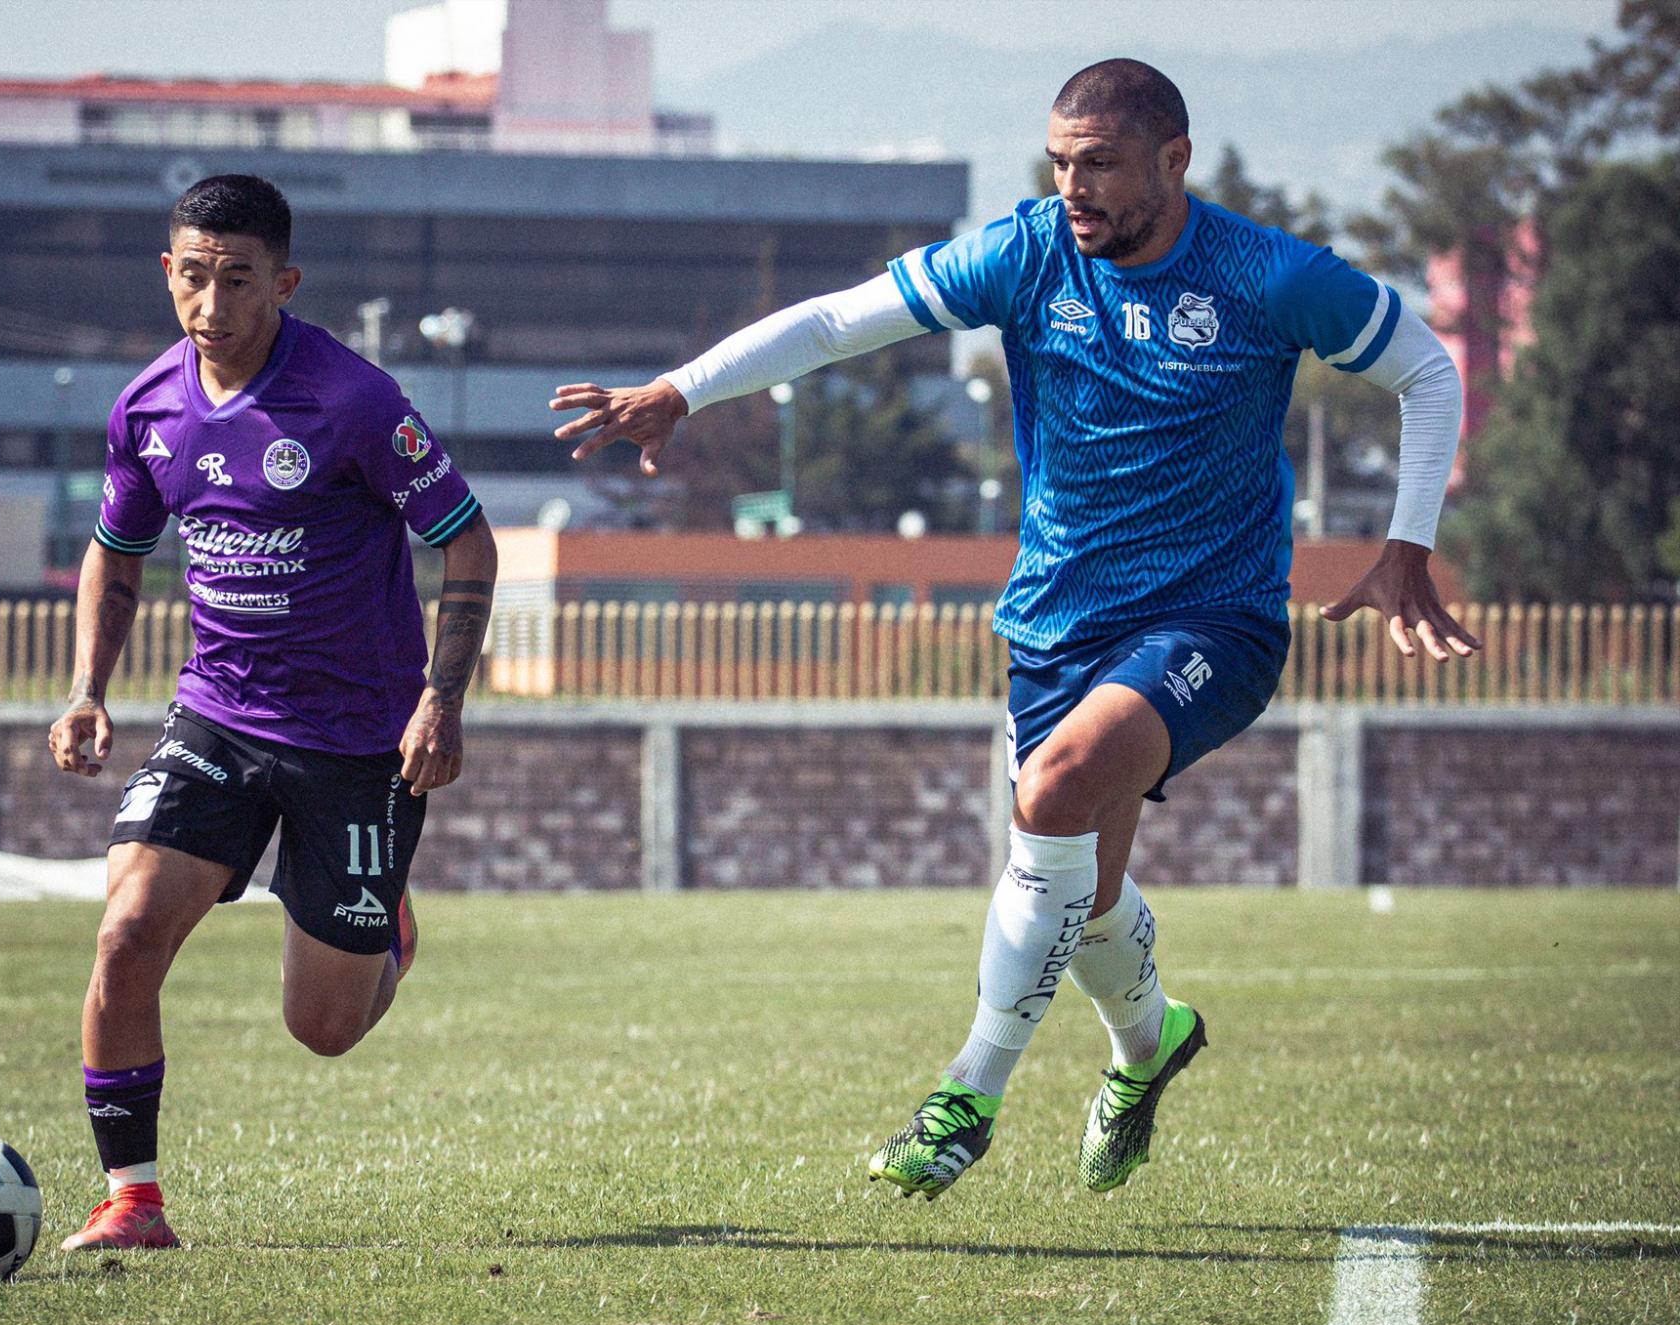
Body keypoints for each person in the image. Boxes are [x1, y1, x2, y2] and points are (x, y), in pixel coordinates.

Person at [552, 60, 1475, 1199]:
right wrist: (684, 388)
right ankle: (1150, 1046)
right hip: (1052, 626)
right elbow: (842, 321)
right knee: (1080, 901)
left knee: (1051, 796)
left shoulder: (1266, 274)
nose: (1072, 186)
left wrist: (1405, 542)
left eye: (1098, 164)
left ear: (1171, 162)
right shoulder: (1027, 252)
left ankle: (964, 1097)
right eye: (1058, 161)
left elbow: (1424, 371)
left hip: (1212, 622)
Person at [47, 174, 495, 1249]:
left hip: (357, 744)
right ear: (168, 273)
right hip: (217, 718)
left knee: (324, 1030)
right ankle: (133, 1201)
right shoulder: (147, 406)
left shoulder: (353, 401)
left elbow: (465, 540)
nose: (211, 304)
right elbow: (117, 553)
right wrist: (87, 692)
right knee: (125, 933)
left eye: (237, 281)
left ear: (282, 283)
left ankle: (380, 917)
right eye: (193, 278)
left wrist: (442, 699)